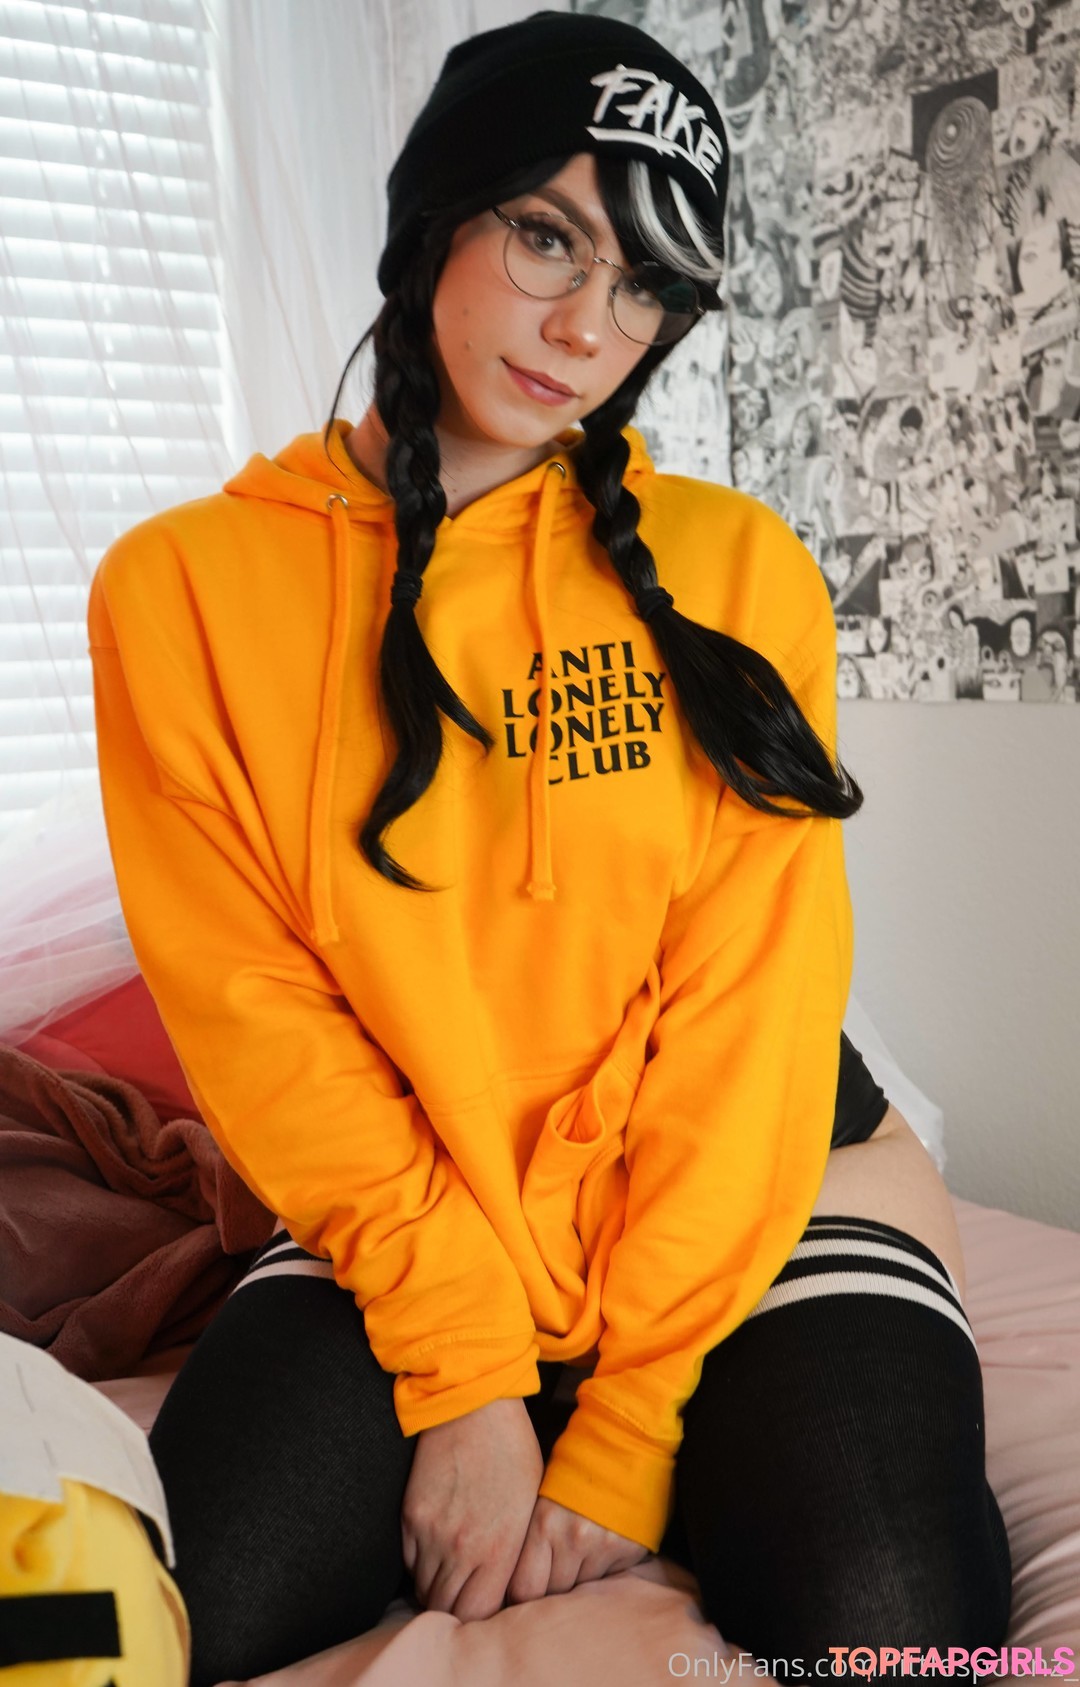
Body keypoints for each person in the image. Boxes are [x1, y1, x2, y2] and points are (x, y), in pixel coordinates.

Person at [85, 12, 1012, 1684]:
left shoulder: (740, 574)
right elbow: (259, 1020)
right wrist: (463, 1378)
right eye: (547, 235)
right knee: (180, 1610)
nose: (590, 328)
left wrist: (628, 1430)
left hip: (764, 1190)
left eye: (646, 285)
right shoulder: (182, 593)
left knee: (892, 1627)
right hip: (420, 1195)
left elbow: (752, 1013)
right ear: (437, 211)